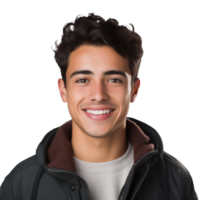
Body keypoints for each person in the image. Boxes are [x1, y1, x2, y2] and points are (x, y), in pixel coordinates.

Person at [0, 12, 199, 200]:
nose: (98, 95)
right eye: (83, 80)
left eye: (113, 80)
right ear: (62, 90)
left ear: (134, 90)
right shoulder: (21, 182)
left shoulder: (176, 178)